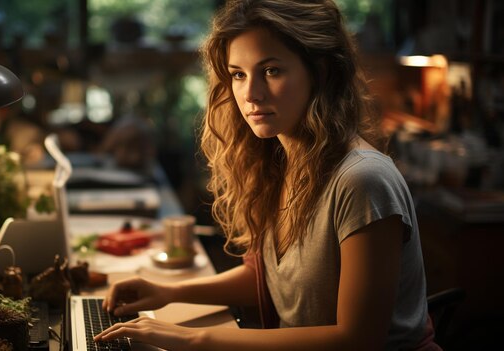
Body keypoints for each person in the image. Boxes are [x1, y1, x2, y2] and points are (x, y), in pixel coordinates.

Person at [94, 0, 440, 350]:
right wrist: (167, 292)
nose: (250, 93)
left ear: (320, 72)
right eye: (238, 74)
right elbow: (270, 278)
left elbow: (357, 339)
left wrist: (196, 339)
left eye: (272, 71)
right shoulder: (281, 163)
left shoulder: (362, 180)